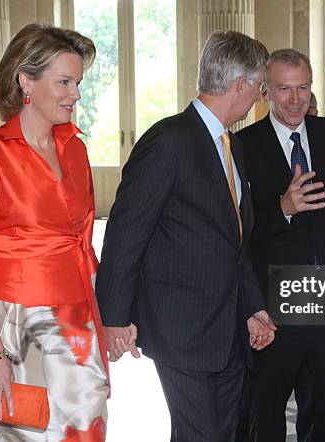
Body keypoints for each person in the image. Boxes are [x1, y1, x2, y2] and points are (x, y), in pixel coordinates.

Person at [95, 30, 276, 441]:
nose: (259, 96)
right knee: (202, 435)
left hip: (228, 327)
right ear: (240, 85)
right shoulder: (169, 140)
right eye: (260, 87)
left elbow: (236, 242)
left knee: (224, 433)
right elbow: (126, 233)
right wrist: (114, 317)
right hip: (182, 328)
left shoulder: (231, 146)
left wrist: (252, 307)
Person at [0, 24, 108, 441]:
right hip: (15, 325)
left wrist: (105, 317)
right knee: (24, 432)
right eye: (63, 82)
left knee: (86, 426)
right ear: (26, 80)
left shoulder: (75, 149)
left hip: (77, 319)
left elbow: (83, 244)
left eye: (77, 82)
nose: (75, 93)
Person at [236, 49, 325, 441]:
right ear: (266, 91)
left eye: (303, 88)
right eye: (285, 89)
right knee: (265, 408)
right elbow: (238, 230)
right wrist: (283, 208)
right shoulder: (243, 146)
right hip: (277, 297)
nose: (296, 99)